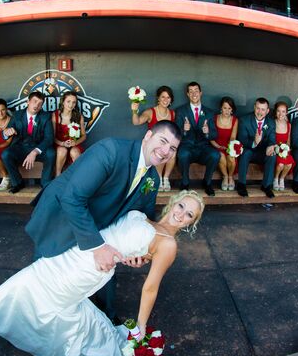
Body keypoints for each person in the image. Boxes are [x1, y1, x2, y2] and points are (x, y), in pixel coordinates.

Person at [0, 190, 204, 356]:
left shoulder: (168, 244)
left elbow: (151, 286)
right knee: (37, 274)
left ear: (191, 223)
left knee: (45, 290)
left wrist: (141, 327)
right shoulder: (148, 219)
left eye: (189, 214)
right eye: (182, 206)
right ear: (173, 202)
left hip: (91, 268)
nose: (181, 214)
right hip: (85, 249)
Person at [26, 120, 182, 323]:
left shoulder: (151, 178)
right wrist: (98, 247)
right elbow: (72, 198)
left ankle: (107, 319)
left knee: (106, 269)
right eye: (162, 141)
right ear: (148, 136)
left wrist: (139, 251)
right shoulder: (111, 150)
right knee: (46, 274)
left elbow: (142, 216)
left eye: (172, 148)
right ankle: (35, 318)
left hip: (99, 221)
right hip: (60, 216)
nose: (165, 151)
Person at [2, 91, 56, 193]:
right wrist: (6, 132)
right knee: (6, 154)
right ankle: (17, 183)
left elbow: (49, 138)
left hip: (37, 148)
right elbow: (6, 132)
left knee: (51, 153)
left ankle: (45, 183)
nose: (36, 105)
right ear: (28, 102)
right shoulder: (17, 115)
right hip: (21, 147)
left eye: (40, 104)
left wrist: (35, 152)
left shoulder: (45, 116)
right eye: (34, 101)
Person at [173, 82, 219, 196]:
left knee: (215, 155)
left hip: (203, 148)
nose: (194, 93)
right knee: (182, 155)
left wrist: (207, 132)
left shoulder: (209, 112)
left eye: (196, 91)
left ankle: (207, 182)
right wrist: (184, 130)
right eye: (191, 91)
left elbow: (214, 134)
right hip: (187, 146)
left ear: (200, 93)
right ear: (188, 94)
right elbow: (176, 134)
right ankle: (185, 182)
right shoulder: (181, 111)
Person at [132, 86, 177, 191]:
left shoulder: (172, 114)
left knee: (173, 151)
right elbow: (136, 122)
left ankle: (165, 178)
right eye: (163, 97)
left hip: (166, 143)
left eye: (168, 97)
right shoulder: (150, 112)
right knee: (161, 150)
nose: (165, 100)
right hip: (152, 144)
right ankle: (158, 178)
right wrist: (134, 111)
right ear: (158, 98)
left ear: (171, 100)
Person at [236, 97, 276, 198]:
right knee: (245, 153)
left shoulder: (271, 122)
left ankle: (266, 186)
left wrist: (270, 146)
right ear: (254, 107)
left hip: (263, 152)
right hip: (249, 149)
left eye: (263, 109)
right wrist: (254, 142)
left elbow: (272, 139)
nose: (260, 112)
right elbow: (242, 140)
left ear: (267, 111)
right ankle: (241, 185)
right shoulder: (244, 120)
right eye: (258, 108)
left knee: (272, 155)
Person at [53, 91, 87, 177]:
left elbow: (84, 135)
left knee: (75, 151)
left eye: (74, 102)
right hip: (59, 144)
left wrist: (75, 143)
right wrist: (62, 143)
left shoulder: (79, 116)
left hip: (74, 144)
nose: (71, 105)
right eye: (68, 101)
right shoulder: (55, 115)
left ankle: (78, 177)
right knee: (62, 150)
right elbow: (51, 136)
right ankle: (58, 176)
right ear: (63, 102)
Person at [209, 96, 238, 191]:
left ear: (232, 109)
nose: (227, 111)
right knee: (221, 156)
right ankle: (225, 177)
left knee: (231, 157)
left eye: (229, 108)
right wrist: (217, 146)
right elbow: (211, 137)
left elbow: (233, 137)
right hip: (215, 145)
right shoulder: (214, 118)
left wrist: (230, 148)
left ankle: (230, 177)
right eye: (225, 108)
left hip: (229, 145)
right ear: (221, 108)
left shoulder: (235, 120)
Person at [272, 101, 295, 191]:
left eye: (283, 111)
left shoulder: (289, 125)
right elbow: (270, 139)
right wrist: (276, 149)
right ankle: (275, 178)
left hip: (284, 150)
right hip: (274, 149)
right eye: (278, 111)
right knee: (281, 164)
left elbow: (288, 141)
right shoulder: (272, 123)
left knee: (289, 164)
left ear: (286, 113)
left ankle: (281, 179)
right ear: (275, 112)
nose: (280, 114)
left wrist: (287, 150)